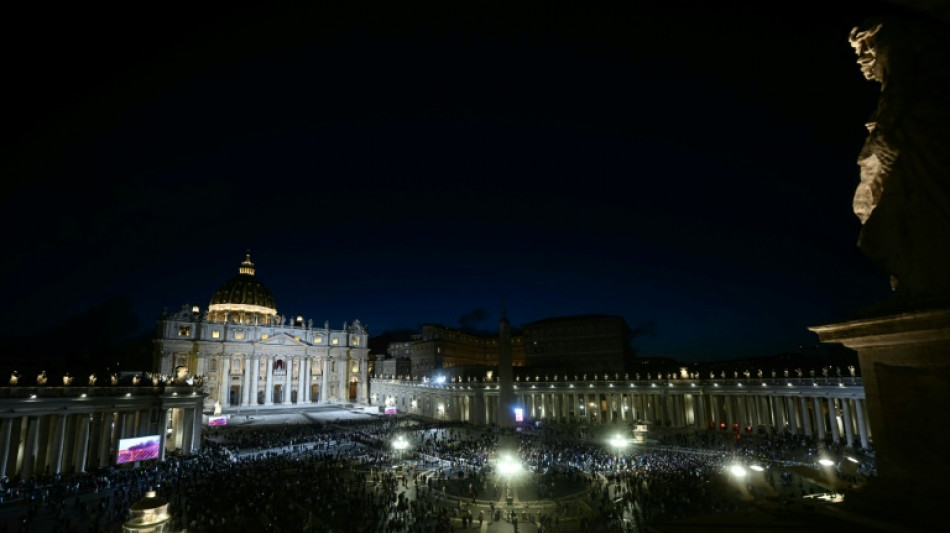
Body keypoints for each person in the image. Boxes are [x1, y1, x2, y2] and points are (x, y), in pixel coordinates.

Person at [849, 16, 950, 309]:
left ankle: (921, 286)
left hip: (912, 151)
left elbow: (899, 87)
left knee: (902, 218)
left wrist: (883, 133)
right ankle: (918, 285)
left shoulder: (895, 42)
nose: (860, 58)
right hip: (912, 148)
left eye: (861, 47)